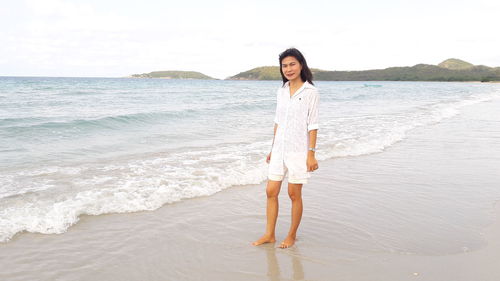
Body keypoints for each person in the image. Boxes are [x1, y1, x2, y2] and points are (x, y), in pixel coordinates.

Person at [252, 48, 319, 248]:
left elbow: (313, 125)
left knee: (293, 194)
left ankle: (291, 235)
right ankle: (269, 234)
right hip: (279, 148)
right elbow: (278, 122)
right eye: (284, 65)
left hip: (298, 150)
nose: (288, 69)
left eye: (292, 64)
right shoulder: (281, 91)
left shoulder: (310, 92)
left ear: (301, 65)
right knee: (270, 191)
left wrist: (311, 154)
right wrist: (273, 149)